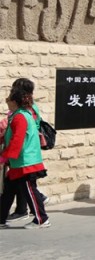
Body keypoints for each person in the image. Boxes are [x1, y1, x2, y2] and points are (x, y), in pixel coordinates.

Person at [0, 81, 50, 229]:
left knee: (30, 191)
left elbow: (17, 140)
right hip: (19, 162)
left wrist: (4, 157)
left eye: (8, 99)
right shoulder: (18, 115)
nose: (7, 102)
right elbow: (9, 135)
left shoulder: (20, 117)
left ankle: (41, 219)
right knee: (8, 191)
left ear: (14, 102)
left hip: (26, 162)